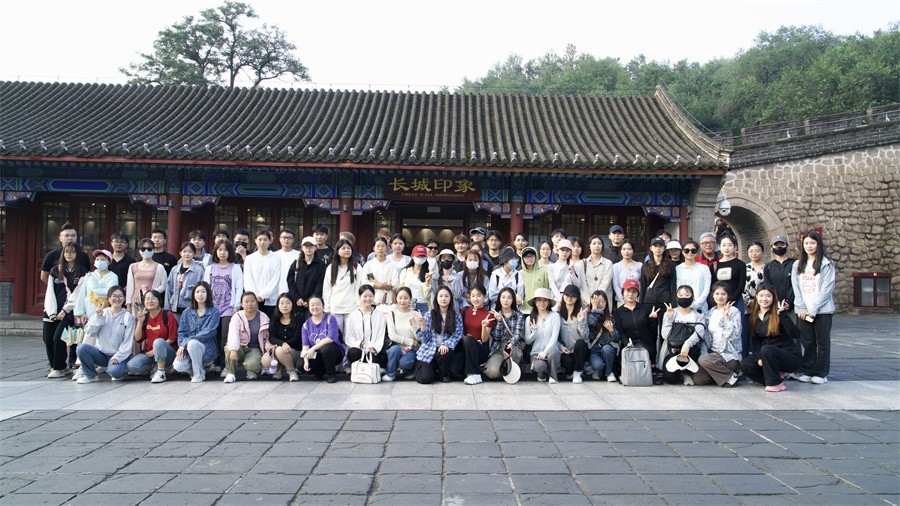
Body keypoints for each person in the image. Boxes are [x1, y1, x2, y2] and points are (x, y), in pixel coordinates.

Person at [792, 230, 836, 385]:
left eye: (812, 243)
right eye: (806, 243)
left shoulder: (826, 264)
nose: (809, 246)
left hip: (822, 311)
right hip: (803, 311)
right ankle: (807, 370)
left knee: (823, 342)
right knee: (807, 342)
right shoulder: (797, 265)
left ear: (818, 244)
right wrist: (801, 308)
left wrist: (814, 309)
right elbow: (796, 288)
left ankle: (821, 373)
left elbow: (827, 288)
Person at [740, 284, 802, 392]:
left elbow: (796, 334)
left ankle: (775, 383)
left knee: (767, 349)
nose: (764, 299)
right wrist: (760, 358)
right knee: (745, 364)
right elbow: (756, 341)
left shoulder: (778, 313)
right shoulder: (753, 316)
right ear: (757, 297)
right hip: (767, 355)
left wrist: (783, 315)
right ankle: (774, 379)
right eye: (761, 295)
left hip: (788, 355)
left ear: (773, 297)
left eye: (768, 296)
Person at [43, 244, 87, 377]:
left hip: (70, 311)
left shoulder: (82, 271)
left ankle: (60, 367)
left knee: (58, 337)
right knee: (48, 339)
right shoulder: (55, 270)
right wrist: (51, 312)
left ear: (77, 254)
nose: (69, 254)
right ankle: (54, 365)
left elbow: (78, 294)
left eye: (72, 252)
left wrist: (64, 310)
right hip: (52, 309)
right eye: (66, 252)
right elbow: (50, 292)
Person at [74, 286, 134, 383]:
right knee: (82, 348)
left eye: (120, 296)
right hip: (102, 354)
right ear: (109, 299)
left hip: (119, 355)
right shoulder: (102, 312)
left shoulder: (128, 317)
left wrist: (118, 357)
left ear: (124, 299)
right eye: (114, 296)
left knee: (115, 372)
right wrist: (99, 318)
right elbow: (90, 332)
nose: (117, 299)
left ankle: (118, 369)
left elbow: (128, 341)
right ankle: (90, 375)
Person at [204, 239, 243, 373]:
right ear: (215, 252)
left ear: (230, 252)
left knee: (226, 336)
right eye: (220, 250)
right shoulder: (209, 269)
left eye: (225, 250)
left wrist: (236, 305)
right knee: (214, 335)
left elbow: (239, 288)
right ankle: (215, 363)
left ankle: (226, 365)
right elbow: (205, 288)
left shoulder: (235, 268)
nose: (222, 253)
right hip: (212, 308)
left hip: (228, 307)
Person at [694, 282, 742, 387]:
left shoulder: (734, 311)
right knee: (698, 379)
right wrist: (704, 356)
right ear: (713, 295)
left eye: (723, 294)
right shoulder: (710, 313)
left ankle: (731, 376)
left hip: (729, 355)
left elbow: (734, 336)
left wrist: (726, 317)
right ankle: (722, 376)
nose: (720, 297)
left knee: (704, 360)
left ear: (728, 296)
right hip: (713, 355)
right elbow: (705, 340)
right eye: (717, 294)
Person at [413, 286, 463, 384]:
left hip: (445, 351)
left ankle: (443, 374)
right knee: (425, 378)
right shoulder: (429, 315)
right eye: (441, 296)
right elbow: (425, 339)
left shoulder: (456, 315)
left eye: (446, 296)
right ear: (436, 298)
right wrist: (423, 326)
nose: (443, 299)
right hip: (429, 349)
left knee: (444, 352)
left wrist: (446, 344)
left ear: (451, 298)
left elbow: (457, 334)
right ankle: (430, 370)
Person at [127, 290, 178, 383]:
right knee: (131, 366)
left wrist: (155, 350)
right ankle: (156, 368)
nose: (150, 301)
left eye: (153, 298)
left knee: (158, 342)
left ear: (159, 301)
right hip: (150, 354)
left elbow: (173, 337)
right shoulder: (145, 317)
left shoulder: (167, 315)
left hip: (167, 353)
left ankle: (161, 372)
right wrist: (140, 321)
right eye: (147, 299)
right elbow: (137, 338)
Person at [173, 281, 220, 382]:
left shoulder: (214, 311)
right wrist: (182, 345)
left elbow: (209, 332)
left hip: (206, 349)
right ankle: (196, 370)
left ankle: (199, 374)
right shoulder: (187, 312)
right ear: (193, 294)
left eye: (203, 291)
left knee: (193, 343)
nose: (200, 294)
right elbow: (181, 332)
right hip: (188, 348)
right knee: (178, 366)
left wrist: (187, 342)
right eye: (197, 292)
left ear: (208, 294)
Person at [708, 235, 747, 356]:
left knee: (737, 329)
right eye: (724, 245)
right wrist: (719, 300)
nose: (727, 248)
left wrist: (730, 300)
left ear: (734, 247)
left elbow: (741, 286)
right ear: (719, 247)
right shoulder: (714, 265)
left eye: (730, 245)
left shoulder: (740, 264)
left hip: (735, 300)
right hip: (718, 302)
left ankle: (740, 356)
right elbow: (712, 285)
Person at [658, 285, 705, 385]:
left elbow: (699, 333)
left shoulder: (698, 315)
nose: (683, 298)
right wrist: (669, 318)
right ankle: (680, 374)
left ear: (692, 297)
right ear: (676, 297)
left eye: (687, 295)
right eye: (681, 295)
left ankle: (686, 373)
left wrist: (687, 344)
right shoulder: (670, 312)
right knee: (670, 378)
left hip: (690, 351)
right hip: (672, 351)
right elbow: (665, 335)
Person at [73, 249, 120, 347]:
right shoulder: (89, 276)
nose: (99, 261)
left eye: (103, 259)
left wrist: (94, 285)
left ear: (109, 262)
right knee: (88, 341)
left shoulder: (113, 277)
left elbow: (107, 293)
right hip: (89, 313)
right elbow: (82, 294)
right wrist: (80, 313)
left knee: (102, 343)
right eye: (97, 259)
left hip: (105, 313)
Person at [223, 291, 269, 383]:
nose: (249, 304)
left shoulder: (263, 317)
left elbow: (267, 337)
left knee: (252, 365)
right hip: (240, 346)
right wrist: (234, 349)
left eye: (252, 301)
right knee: (229, 348)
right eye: (246, 301)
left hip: (254, 348)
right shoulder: (237, 317)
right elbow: (233, 334)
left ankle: (251, 370)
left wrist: (267, 350)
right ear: (242, 304)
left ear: (256, 302)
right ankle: (231, 373)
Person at [482, 287, 526, 381]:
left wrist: (511, 343)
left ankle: (510, 368)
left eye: (509, 298)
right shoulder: (494, 315)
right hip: (498, 347)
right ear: (499, 299)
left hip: (514, 346)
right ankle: (504, 368)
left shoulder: (519, 315)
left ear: (513, 300)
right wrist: (499, 321)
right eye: (503, 297)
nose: (506, 300)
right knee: (493, 372)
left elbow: (517, 334)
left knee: (510, 353)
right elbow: (497, 337)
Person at [613, 279, 661, 365]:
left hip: (646, 347)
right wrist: (627, 343)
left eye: (634, 292)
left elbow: (653, 333)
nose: (630, 294)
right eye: (628, 291)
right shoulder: (618, 312)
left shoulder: (645, 309)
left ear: (638, 294)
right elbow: (620, 332)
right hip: (629, 347)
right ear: (623, 292)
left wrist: (653, 319)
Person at [301, 295, 344, 383]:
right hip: (317, 354)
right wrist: (306, 361)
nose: (315, 307)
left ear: (323, 306)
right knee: (300, 364)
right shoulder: (306, 325)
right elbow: (305, 346)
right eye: (312, 305)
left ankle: (331, 374)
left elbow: (330, 339)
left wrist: (312, 348)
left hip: (333, 352)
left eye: (318, 304)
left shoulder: (330, 319)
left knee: (327, 348)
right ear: (308, 307)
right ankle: (319, 372)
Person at [261, 293, 304, 381]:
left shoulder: (298, 319)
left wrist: (284, 345)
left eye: (287, 303)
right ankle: (279, 369)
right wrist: (282, 344)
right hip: (278, 348)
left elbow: (297, 338)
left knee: (280, 351)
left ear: (292, 304)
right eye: (282, 303)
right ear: (278, 305)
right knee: (265, 361)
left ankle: (291, 371)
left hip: (294, 351)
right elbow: (272, 338)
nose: (284, 306)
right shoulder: (275, 320)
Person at [457, 284, 494, 384]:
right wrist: (464, 339)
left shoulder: (489, 315)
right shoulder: (465, 310)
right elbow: (459, 330)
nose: (475, 299)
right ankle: (470, 370)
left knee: (469, 339)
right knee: (454, 369)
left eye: (479, 295)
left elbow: (485, 340)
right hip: (465, 347)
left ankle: (475, 374)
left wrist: (484, 326)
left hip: (480, 349)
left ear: (484, 296)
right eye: (473, 296)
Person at [322, 238, 361, 334]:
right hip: (335, 307)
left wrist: (359, 305)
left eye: (349, 248)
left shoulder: (356, 267)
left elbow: (360, 286)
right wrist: (327, 308)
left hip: (352, 307)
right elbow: (327, 289)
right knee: (336, 335)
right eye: (343, 248)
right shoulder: (331, 268)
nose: (347, 250)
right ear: (337, 251)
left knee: (350, 335)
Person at [344, 285, 388, 368]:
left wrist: (374, 348)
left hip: (374, 351)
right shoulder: (353, 315)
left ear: (374, 297)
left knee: (375, 361)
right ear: (359, 297)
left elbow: (381, 335)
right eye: (365, 296)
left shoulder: (380, 315)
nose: (368, 299)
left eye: (370, 296)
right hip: (359, 349)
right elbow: (349, 337)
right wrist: (360, 344)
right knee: (353, 353)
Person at [382, 287, 420, 381]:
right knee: (394, 350)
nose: (402, 301)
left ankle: (408, 371)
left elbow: (418, 337)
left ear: (410, 299)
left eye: (406, 298)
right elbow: (392, 336)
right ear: (396, 298)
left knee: (405, 363)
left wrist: (414, 327)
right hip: (397, 347)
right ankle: (390, 374)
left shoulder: (415, 314)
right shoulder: (391, 314)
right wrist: (411, 341)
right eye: (400, 298)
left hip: (411, 349)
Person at [525, 288, 561, 383]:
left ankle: (553, 376)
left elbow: (554, 338)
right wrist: (534, 332)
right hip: (536, 353)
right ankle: (543, 373)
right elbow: (527, 341)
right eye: (539, 300)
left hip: (551, 351)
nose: (542, 303)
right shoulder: (529, 318)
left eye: (545, 300)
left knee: (553, 352)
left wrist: (544, 353)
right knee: (540, 366)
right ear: (535, 302)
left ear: (549, 302)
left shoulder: (555, 316)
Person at [243, 227, 281, 318]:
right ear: (255, 240)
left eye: (265, 239)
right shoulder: (250, 258)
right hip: (253, 300)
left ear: (270, 241)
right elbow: (248, 279)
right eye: (260, 239)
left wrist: (262, 295)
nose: (262, 242)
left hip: (270, 300)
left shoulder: (276, 258)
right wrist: (254, 296)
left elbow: (275, 280)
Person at [287, 236, 326, 322]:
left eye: (311, 246)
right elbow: (290, 281)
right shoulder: (296, 263)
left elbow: (320, 284)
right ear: (302, 248)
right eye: (306, 246)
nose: (308, 248)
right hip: (298, 303)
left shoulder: (320, 264)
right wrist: (297, 298)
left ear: (315, 248)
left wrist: (310, 300)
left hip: (313, 304)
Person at [557, 284, 590, 383]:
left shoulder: (582, 313)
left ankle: (577, 371)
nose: (569, 298)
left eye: (573, 296)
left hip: (581, 349)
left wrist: (581, 322)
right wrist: (561, 347)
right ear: (563, 296)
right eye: (567, 295)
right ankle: (570, 372)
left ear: (577, 298)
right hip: (566, 350)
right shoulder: (558, 313)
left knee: (580, 343)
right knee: (567, 361)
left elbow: (585, 336)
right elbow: (555, 336)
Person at [640, 236, 676, 323]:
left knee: (665, 327)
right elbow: (643, 286)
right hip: (649, 301)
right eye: (655, 246)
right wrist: (641, 305)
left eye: (660, 246)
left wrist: (673, 305)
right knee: (650, 326)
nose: (658, 248)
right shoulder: (646, 265)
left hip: (665, 302)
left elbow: (672, 285)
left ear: (664, 248)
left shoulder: (670, 265)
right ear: (651, 248)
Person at [165, 242, 205, 319]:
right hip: (174, 308)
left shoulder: (199, 270)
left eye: (190, 252)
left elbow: (202, 290)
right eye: (184, 251)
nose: (187, 254)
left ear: (194, 253)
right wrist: (167, 309)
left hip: (191, 309)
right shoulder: (174, 269)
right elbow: (168, 289)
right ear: (180, 253)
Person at [586, 290, 619, 382]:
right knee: (598, 365)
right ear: (592, 301)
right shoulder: (588, 315)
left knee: (607, 349)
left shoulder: (610, 318)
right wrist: (594, 309)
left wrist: (611, 330)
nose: (600, 304)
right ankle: (598, 370)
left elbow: (616, 339)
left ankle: (609, 373)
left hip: (605, 348)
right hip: (593, 349)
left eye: (603, 301)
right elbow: (591, 323)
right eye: (597, 301)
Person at [126, 238, 167, 310]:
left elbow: (164, 285)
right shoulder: (132, 266)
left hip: (152, 302)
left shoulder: (159, 267)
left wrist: (152, 292)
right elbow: (130, 286)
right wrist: (128, 302)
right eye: (143, 249)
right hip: (136, 302)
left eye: (149, 249)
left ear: (153, 250)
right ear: (139, 250)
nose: (146, 251)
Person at [764, 235, 796, 324]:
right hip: (775, 306)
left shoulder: (794, 264)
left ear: (786, 246)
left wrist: (788, 301)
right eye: (776, 245)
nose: (779, 247)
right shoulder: (768, 266)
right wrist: (775, 301)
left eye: (782, 244)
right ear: (771, 247)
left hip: (792, 306)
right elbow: (768, 285)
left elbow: (796, 285)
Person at [675, 240, 711, 313]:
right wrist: (685, 303)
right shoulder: (678, 269)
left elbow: (707, 288)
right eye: (686, 250)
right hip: (683, 306)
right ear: (682, 252)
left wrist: (697, 303)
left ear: (697, 252)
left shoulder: (704, 268)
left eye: (693, 250)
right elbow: (678, 288)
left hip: (701, 307)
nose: (690, 252)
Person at [363, 237, 399, 306]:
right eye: (378, 246)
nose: (380, 248)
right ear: (374, 248)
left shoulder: (392, 264)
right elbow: (365, 282)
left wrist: (377, 284)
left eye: (383, 246)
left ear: (387, 248)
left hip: (388, 301)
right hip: (372, 300)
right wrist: (381, 285)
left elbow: (395, 283)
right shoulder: (369, 265)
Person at [398, 245, 433, 313]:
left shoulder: (428, 273)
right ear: (412, 256)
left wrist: (427, 282)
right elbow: (400, 289)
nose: (420, 258)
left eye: (422, 256)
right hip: (408, 304)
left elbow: (427, 295)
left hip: (423, 305)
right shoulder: (405, 271)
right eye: (418, 256)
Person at [580, 235, 614, 307]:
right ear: (589, 246)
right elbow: (583, 285)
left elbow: (605, 283)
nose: (597, 246)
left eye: (599, 243)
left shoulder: (608, 263)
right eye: (594, 243)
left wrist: (597, 299)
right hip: (587, 302)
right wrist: (589, 301)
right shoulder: (582, 263)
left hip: (603, 301)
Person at [548, 239, 584, 303]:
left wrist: (571, 272)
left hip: (570, 298)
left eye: (567, 250)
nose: (564, 252)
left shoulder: (575, 266)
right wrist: (560, 299)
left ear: (570, 252)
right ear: (557, 251)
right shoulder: (551, 267)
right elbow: (552, 284)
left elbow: (578, 285)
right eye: (562, 250)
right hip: (555, 299)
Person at [611, 240, 642, 306]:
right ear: (621, 251)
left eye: (629, 249)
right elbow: (615, 284)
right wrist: (623, 299)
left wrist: (638, 298)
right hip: (621, 301)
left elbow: (641, 283)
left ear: (633, 250)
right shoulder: (616, 266)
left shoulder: (639, 265)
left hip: (637, 300)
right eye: (624, 249)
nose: (626, 251)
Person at [519, 246, 549, 314]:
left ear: (536, 257)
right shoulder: (519, 273)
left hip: (539, 309)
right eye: (526, 256)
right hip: (523, 309)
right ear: (522, 258)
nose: (529, 258)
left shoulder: (543, 272)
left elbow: (546, 290)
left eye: (531, 256)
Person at [274, 228, 300, 296]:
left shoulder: (299, 255)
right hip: (276, 290)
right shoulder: (274, 255)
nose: (286, 240)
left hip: (294, 290)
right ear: (280, 239)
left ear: (293, 240)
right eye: (284, 237)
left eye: (289, 238)